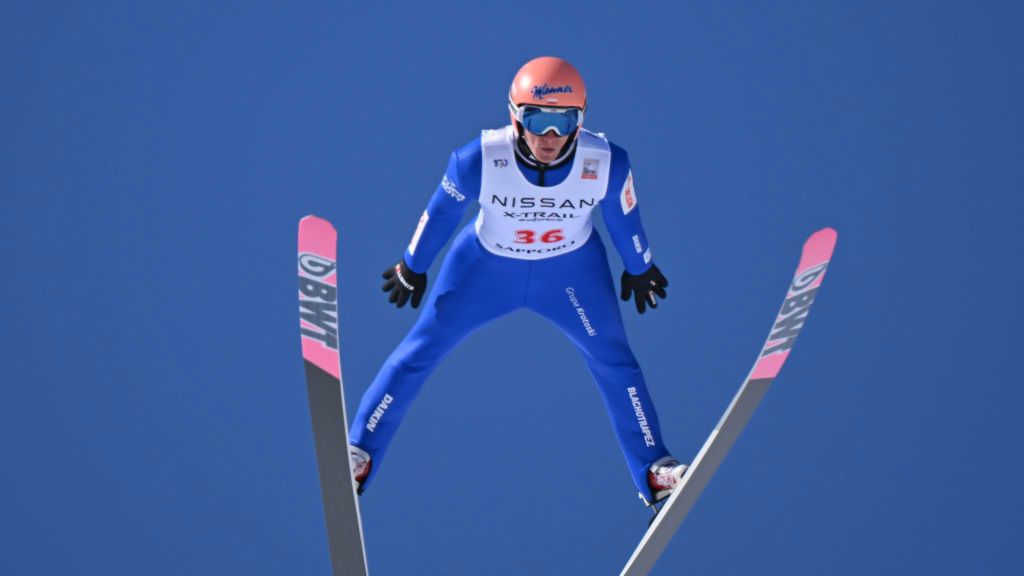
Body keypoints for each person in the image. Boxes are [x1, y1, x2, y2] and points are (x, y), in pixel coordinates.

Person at [348, 56, 686, 507]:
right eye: (537, 119)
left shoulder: (605, 161)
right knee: (420, 349)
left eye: (564, 121)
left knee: (614, 360)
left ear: (581, 119)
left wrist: (640, 265)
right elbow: (441, 213)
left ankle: (654, 469)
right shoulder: (478, 159)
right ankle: (359, 453)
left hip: (571, 275)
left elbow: (624, 217)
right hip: (485, 270)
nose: (550, 136)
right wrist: (413, 264)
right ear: (514, 115)